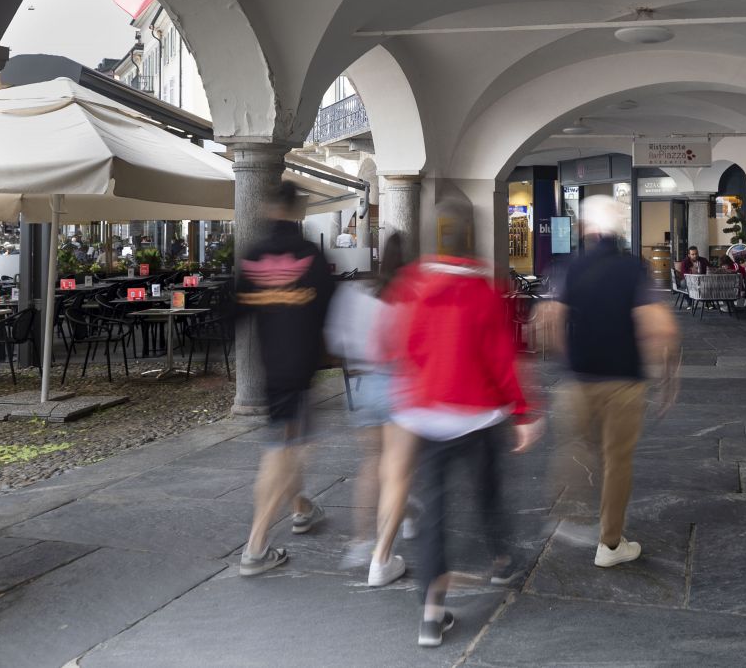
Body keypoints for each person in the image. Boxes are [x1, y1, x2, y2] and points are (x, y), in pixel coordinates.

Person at [382, 198, 544, 648]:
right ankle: (501, 559)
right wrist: (524, 412)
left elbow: (403, 346)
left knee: (433, 511)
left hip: (426, 412)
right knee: (487, 488)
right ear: (470, 235)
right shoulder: (485, 289)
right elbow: (501, 359)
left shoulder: (412, 283)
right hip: (476, 413)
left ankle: (431, 615)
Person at [544, 195, 680, 569]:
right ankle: (610, 543)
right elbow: (660, 326)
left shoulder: (570, 267)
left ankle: (571, 517)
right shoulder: (631, 268)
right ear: (618, 227)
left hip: (577, 379)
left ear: (585, 228)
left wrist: (566, 358)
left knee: (575, 446)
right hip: (623, 380)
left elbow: (552, 318)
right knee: (616, 460)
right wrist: (666, 376)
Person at [232, 180, 336, 577]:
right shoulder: (309, 254)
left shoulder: (254, 255)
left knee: (285, 444)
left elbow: (235, 311)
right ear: (298, 211)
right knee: (287, 452)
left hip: (271, 366)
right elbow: (328, 309)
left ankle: (302, 509)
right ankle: (256, 548)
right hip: (301, 367)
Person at [325, 231, 414, 588]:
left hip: (365, 385)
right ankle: (383, 556)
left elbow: (338, 340)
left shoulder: (358, 294)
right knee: (398, 469)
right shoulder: (410, 298)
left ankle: (362, 542)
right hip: (399, 385)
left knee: (370, 465)